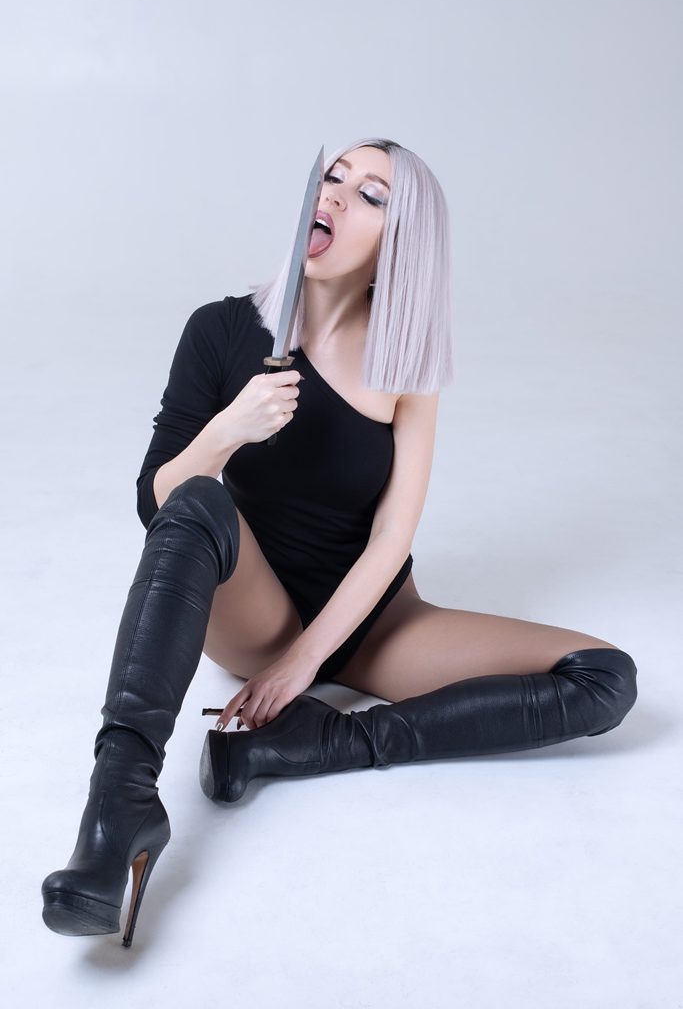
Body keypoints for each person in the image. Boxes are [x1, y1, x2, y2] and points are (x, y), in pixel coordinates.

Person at [41, 137, 638, 948]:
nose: (335, 195)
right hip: (255, 608)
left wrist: (305, 667)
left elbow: (392, 535)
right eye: (334, 177)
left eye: (371, 195)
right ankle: (119, 807)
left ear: (399, 243)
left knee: (604, 677)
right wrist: (228, 429)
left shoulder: (406, 364)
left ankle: (316, 745)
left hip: (372, 619)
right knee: (198, 500)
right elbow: (157, 505)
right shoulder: (221, 330)